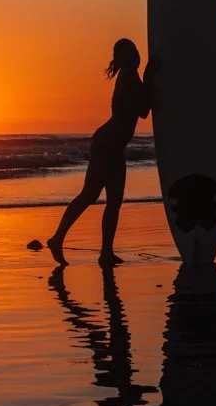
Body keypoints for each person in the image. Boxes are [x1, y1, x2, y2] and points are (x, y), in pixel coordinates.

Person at [47, 39, 155, 267]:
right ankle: (60, 240)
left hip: (109, 144)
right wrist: (151, 78)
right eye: (131, 53)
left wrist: (148, 80)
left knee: (108, 200)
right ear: (125, 58)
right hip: (108, 145)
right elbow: (144, 111)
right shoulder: (129, 77)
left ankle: (103, 251)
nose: (136, 55)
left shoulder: (128, 76)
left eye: (136, 51)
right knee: (93, 195)